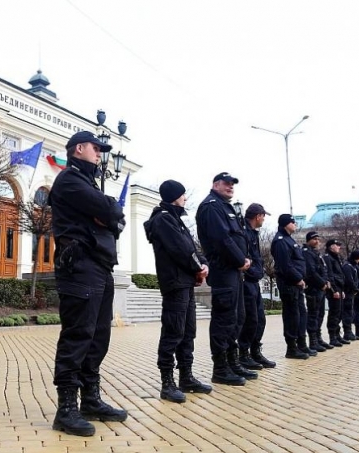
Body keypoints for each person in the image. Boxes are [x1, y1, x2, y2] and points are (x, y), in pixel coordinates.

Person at [49, 130, 128, 437]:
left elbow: (115, 219)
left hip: (99, 266)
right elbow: (110, 211)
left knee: (98, 336)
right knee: (78, 335)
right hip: (79, 266)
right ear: (79, 148)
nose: (100, 153)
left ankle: (90, 401)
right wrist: (107, 214)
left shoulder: (88, 182)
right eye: (97, 148)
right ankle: (66, 409)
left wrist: (108, 215)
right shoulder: (69, 180)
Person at [144, 179, 212, 403]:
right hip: (175, 283)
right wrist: (198, 268)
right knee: (173, 332)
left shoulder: (176, 220)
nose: (186, 198)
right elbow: (181, 250)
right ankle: (167, 383)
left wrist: (203, 264)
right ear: (174, 196)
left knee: (188, 331)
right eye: (183, 194)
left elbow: (192, 248)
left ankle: (186, 376)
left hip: (186, 283)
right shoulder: (164, 219)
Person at [196, 172, 255, 385]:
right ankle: (220, 368)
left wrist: (242, 260)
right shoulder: (212, 206)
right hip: (223, 271)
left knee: (238, 317)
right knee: (225, 319)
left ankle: (232, 362)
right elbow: (222, 239)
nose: (230, 187)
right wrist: (240, 260)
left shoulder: (224, 206)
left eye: (232, 184)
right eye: (226, 183)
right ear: (215, 184)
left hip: (233, 271)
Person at [237, 203, 276, 369]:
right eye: (263, 216)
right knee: (250, 319)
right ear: (258, 216)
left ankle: (255, 351)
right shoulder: (243, 232)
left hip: (254, 282)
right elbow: (245, 258)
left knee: (260, 319)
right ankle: (243, 354)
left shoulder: (253, 233)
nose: (264, 219)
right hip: (246, 282)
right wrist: (253, 272)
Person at [270, 214, 311, 359]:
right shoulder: (281, 241)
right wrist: (298, 278)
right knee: (292, 315)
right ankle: (291, 348)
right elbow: (285, 265)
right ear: (286, 224)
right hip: (289, 284)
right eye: (293, 222)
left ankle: (301, 344)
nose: (295, 224)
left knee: (300, 313)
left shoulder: (289, 239)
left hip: (296, 284)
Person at [302, 231, 331, 352]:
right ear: (308, 240)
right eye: (314, 239)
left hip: (320, 288)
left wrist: (326, 281)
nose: (317, 241)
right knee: (313, 315)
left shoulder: (316, 253)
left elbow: (323, 270)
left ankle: (318, 338)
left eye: (318, 239)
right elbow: (311, 272)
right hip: (313, 288)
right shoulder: (307, 253)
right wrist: (322, 283)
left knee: (320, 314)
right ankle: (313, 341)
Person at [323, 239, 348, 347]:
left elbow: (340, 274)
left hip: (339, 288)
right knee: (334, 313)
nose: (339, 247)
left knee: (339, 313)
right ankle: (332, 337)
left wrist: (341, 290)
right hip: (334, 289)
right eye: (336, 245)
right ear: (330, 247)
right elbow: (330, 274)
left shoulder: (337, 258)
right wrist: (334, 290)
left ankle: (337, 335)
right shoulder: (328, 258)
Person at [341, 250, 359, 341]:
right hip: (348, 292)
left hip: (351, 292)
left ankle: (349, 332)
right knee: (347, 312)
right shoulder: (348, 266)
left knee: (350, 312)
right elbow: (349, 280)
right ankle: (347, 332)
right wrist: (355, 288)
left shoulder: (354, 266)